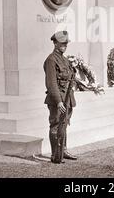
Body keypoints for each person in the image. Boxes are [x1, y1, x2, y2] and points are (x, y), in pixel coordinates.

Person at [43, 30, 78, 163]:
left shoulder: (64, 59)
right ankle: (55, 154)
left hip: (67, 99)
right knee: (56, 125)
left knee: (64, 124)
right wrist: (58, 101)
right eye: (62, 43)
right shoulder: (51, 60)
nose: (65, 45)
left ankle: (63, 150)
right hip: (57, 100)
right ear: (55, 43)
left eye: (66, 43)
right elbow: (51, 83)